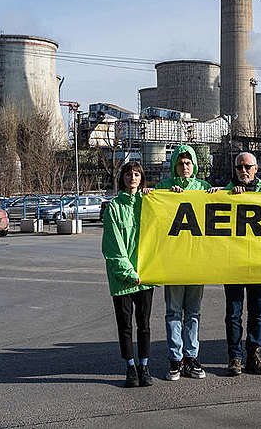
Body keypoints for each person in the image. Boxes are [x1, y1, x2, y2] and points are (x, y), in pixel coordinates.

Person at [210, 151, 261, 375]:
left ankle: (255, 354)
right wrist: (221, 195)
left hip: (260, 263)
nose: (244, 171)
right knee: (234, 314)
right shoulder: (223, 193)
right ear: (234, 170)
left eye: (248, 167)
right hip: (234, 264)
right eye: (239, 168)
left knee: (259, 313)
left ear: (257, 168)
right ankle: (235, 357)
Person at [154, 144, 209, 381]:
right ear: (174, 166)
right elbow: (153, 212)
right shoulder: (164, 188)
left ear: (194, 165)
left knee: (193, 312)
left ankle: (191, 357)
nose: (184, 167)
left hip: (196, 260)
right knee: (174, 311)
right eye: (180, 163)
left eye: (188, 163)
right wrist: (165, 196)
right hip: (174, 260)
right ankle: (175, 358)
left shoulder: (203, 188)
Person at [102, 161, 154, 388]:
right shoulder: (113, 208)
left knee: (144, 324)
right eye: (128, 174)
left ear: (141, 178)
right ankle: (130, 367)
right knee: (125, 325)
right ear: (122, 178)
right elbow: (113, 246)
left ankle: (144, 365)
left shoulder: (149, 204)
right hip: (122, 278)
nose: (132, 178)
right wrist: (129, 272)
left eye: (136, 174)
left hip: (145, 276)